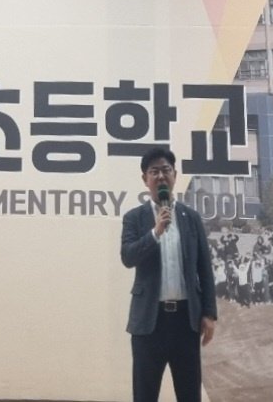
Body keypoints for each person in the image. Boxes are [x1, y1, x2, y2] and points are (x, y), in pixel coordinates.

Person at [120, 147, 217, 402]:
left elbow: (204, 268)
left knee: (189, 394)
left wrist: (209, 313)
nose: (161, 176)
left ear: (175, 175)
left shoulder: (191, 218)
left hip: (186, 321)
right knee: (145, 395)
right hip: (149, 323)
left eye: (166, 170)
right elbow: (128, 257)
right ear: (145, 179)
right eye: (154, 171)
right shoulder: (134, 218)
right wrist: (155, 232)